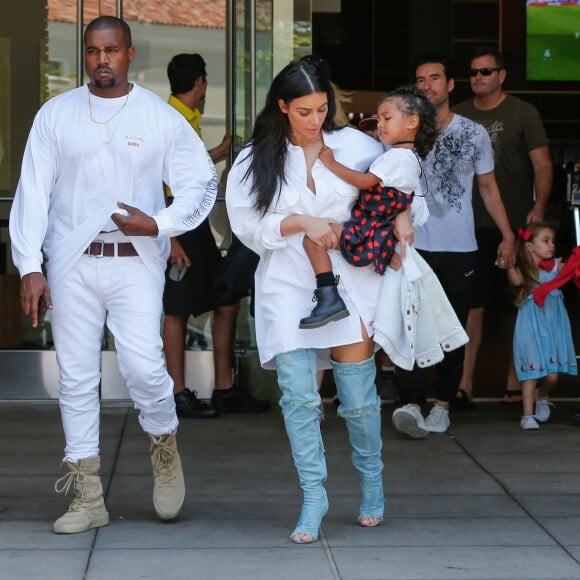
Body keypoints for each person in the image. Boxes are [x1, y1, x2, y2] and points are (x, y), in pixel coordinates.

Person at [9, 16, 217, 533]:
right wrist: (30, 267)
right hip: (72, 264)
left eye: (112, 50)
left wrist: (160, 223)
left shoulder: (156, 116)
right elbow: (32, 192)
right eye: (93, 51)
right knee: (77, 378)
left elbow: (200, 183)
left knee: (145, 367)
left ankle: (164, 445)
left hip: (135, 262)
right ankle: (87, 494)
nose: (102, 59)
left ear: (129, 54)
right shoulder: (56, 115)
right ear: (87, 55)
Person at [225, 55, 415, 543]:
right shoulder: (255, 157)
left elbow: (403, 189)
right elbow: (246, 227)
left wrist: (399, 224)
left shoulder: (356, 145)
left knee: (356, 399)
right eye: (304, 111)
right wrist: (301, 223)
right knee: (298, 395)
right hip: (286, 284)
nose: (314, 121)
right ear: (283, 106)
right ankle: (314, 496)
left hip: (350, 282)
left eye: (321, 109)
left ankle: (372, 483)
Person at [391, 54, 516, 439]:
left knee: (452, 328)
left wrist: (508, 234)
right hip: (413, 245)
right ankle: (411, 402)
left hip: (460, 247)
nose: (427, 85)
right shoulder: (404, 131)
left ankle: (442, 403)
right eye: (420, 80)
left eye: (434, 78)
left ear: (450, 85)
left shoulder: (473, 133)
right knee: (409, 323)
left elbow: (488, 187)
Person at [162, 53, 269, 418]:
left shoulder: (185, 118)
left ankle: (224, 388)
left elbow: (185, 172)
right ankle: (176, 394)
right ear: (201, 82)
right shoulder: (171, 119)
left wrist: (219, 153)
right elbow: (159, 181)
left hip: (196, 226)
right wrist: (171, 239)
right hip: (178, 228)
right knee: (176, 310)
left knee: (227, 299)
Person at [454, 46, 553, 406]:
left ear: (502, 75)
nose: (478, 78)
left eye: (486, 71)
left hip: (516, 222)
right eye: (474, 72)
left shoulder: (522, 113)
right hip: (469, 226)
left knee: (517, 304)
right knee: (472, 306)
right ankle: (464, 383)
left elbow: (542, 165)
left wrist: (538, 206)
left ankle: (516, 381)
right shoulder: (458, 115)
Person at [299, 85, 438, 330]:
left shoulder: (397, 158)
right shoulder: (404, 156)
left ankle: (329, 295)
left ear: (411, 122)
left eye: (387, 118)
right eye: (378, 118)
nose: (380, 124)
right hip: (376, 228)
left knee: (312, 240)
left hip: (369, 228)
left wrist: (330, 163)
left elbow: (364, 182)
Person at [506, 222, 577, 430]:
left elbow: (573, 268)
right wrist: (509, 264)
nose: (551, 245)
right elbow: (516, 280)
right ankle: (527, 415)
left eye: (552, 241)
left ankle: (541, 395)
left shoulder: (556, 266)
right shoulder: (525, 270)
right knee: (531, 370)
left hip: (553, 323)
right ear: (530, 246)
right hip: (531, 323)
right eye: (545, 241)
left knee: (552, 375)